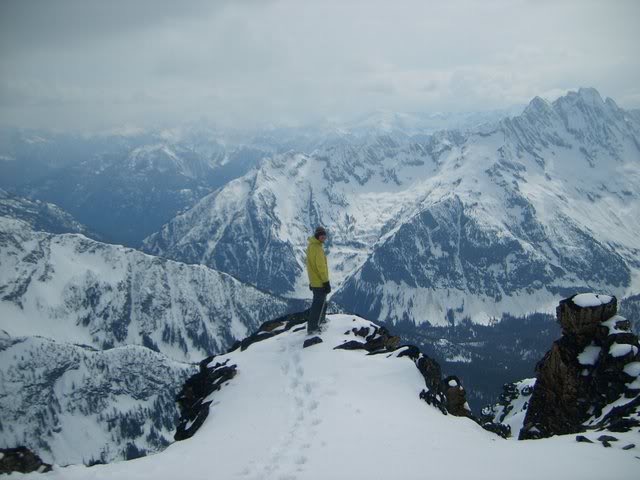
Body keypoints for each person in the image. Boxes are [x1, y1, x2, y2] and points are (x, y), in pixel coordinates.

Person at [306, 226, 331, 334]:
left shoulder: (311, 246)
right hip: (320, 282)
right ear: (317, 236)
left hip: (315, 281)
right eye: (321, 235)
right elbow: (321, 267)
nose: (323, 237)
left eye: (324, 235)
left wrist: (312, 281)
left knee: (319, 303)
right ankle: (313, 327)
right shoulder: (318, 249)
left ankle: (319, 322)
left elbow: (310, 265)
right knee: (319, 304)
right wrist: (326, 281)